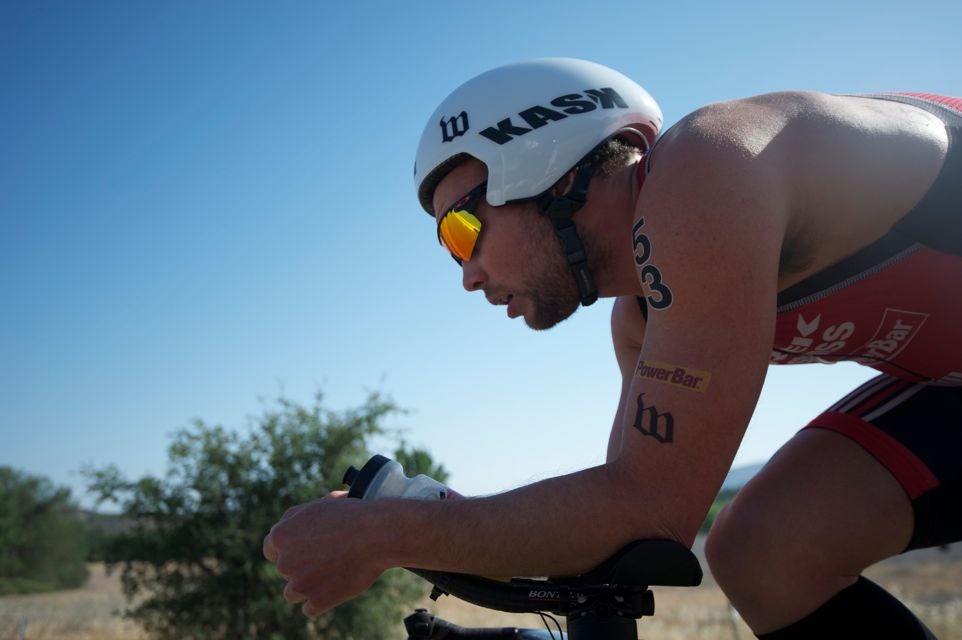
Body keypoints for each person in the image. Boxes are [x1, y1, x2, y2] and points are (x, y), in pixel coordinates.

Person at [263, 58, 961, 638]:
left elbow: (648, 506)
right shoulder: (640, 320)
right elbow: (621, 533)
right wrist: (418, 512)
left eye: (462, 230)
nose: (467, 273)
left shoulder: (706, 167)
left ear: (549, 167)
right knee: (766, 551)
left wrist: (387, 536)